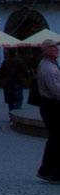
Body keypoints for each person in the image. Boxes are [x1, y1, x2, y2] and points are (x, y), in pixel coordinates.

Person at [34, 39, 60, 183]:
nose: (57, 49)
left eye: (57, 47)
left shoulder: (49, 65)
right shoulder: (48, 68)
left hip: (50, 106)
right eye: (53, 47)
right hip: (53, 106)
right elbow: (56, 91)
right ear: (46, 50)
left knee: (55, 140)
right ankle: (54, 172)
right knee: (57, 140)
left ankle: (46, 170)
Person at [0, 49, 30, 120]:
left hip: (8, 83)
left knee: (11, 101)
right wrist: (27, 78)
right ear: (15, 53)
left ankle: (11, 116)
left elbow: (1, 74)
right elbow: (25, 71)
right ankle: (17, 115)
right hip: (18, 82)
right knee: (18, 100)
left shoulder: (5, 62)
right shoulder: (20, 61)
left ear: (9, 53)